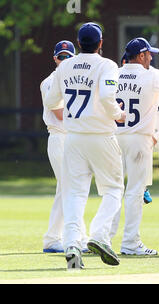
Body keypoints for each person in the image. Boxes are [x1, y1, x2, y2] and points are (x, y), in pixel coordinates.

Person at [44, 22, 126, 269]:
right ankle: (99, 236)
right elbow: (106, 96)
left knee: (74, 193)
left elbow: (50, 101)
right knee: (113, 189)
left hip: (74, 137)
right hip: (101, 134)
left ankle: (71, 243)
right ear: (100, 43)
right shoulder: (107, 65)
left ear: (79, 43)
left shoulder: (65, 66)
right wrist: (118, 115)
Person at [108, 37, 159, 256]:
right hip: (139, 139)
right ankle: (130, 242)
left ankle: (103, 238)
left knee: (113, 190)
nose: (151, 57)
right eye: (149, 54)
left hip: (114, 137)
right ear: (141, 56)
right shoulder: (153, 76)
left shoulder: (113, 74)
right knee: (134, 191)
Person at [40, 40, 89, 253]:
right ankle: (79, 238)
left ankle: (53, 238)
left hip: (74, 138)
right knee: (70, 188)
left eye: (69, 56)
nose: (65, 60)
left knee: (67, 188)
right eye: (62, 57)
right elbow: (61, 114)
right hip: (60, 137)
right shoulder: (50, 82)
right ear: (55, 58)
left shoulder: (73, 80)